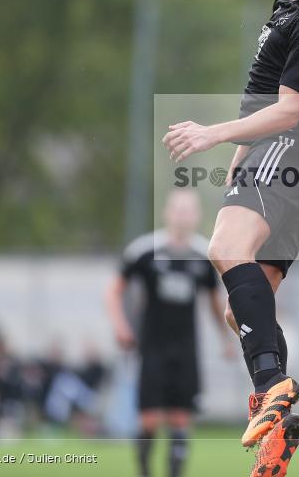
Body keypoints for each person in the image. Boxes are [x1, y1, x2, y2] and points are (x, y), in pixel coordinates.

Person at [161, 0, 299, 475]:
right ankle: (278, 425)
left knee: (224, 246)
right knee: (240, 309)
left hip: (290, 147)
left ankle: (273, 386)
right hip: (281, 154)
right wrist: (240, 154)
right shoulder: (291, 2)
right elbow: (265, 93)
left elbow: (291, 110)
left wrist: (213, 133)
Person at [105, 190, 233, 477]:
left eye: (189, 210)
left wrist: (226, 339)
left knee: (180, 419)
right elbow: (113, 291)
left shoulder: (204, 254)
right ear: (167, 213)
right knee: (149, 420)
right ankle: (145, 471)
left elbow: (214, 303)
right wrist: (121, 326)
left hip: (186, 350)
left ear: (197, 216)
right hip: (152, 348)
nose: (183, 215)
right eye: (178, 209)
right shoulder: (145, 251)